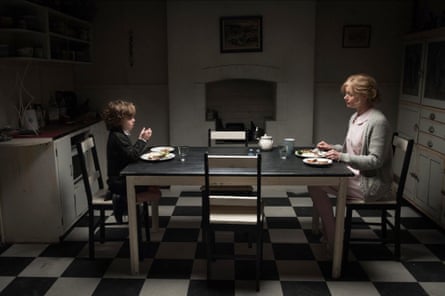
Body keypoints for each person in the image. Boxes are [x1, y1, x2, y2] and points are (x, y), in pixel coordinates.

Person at [309, 73, 393, 249]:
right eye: (345, 94)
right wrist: (333, 148)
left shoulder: (378, 121)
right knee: (314, 183)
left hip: (370, 183)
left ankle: (333, 237)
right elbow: (352, 150)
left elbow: (375, 160)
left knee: (315, 184)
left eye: (350, 94)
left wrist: (341, 157)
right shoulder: (355, 118)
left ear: (364, 96)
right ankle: (332, 233)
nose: (345, 97)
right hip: (353, 174)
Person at [102, 99, 156, 223]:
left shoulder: (118, 135)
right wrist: (143, 140)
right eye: (130, 118)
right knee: (155, 193)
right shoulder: (118, 137)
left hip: (120, 179)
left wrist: (140, 140)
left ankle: (126, 200)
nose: (134, 120)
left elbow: (129, 154)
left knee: (155, 189)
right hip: (119, 182)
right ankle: (123, 200)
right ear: (119, 120)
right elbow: (133, 155)